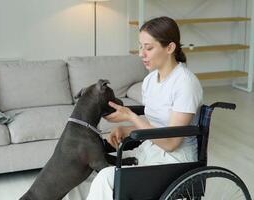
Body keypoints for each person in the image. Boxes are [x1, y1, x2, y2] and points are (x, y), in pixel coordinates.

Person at [85, 16, 203, 200]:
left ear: (170, 48)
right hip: (149, 152)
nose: (142, 54)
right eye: (141, 47)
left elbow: (171, 143)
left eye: (148, 48)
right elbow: (156, 126)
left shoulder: (185, 83)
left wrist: (132, 117)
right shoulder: (149, 81)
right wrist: (126, 129)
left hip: (174, 162)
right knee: (84, 172)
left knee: (106, 178)